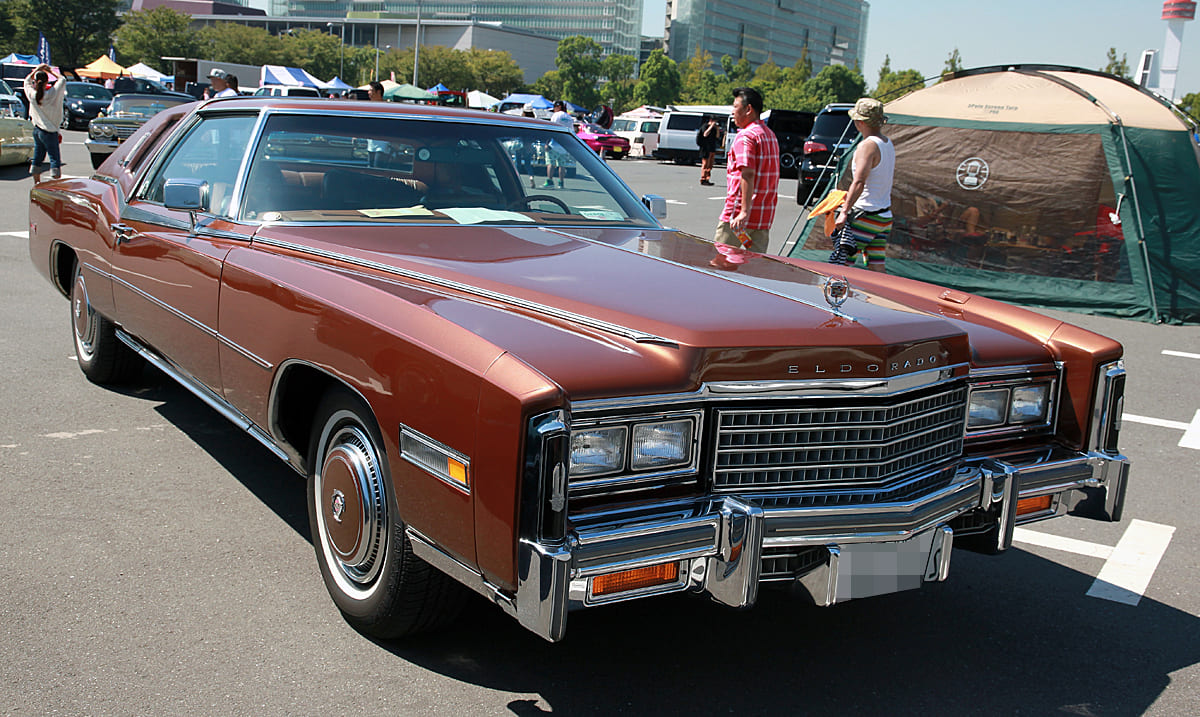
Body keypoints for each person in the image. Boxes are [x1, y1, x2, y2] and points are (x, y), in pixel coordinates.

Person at [829, 97, 894, 272]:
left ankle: (837, 290)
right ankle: (879, 291)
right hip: (883, 216)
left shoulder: (867, 146)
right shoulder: (887, 143)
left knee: (841, 264)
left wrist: (844, 212)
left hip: (865, 215)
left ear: (860, 122)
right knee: (876, 267)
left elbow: (859, 182)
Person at [715, 87, 779, 253]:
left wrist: (744, 211)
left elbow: (748, 173)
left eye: (736, 107)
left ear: (748, 109)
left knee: (721, 261)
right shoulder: (770, 135)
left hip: (738, 215)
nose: (733, 112)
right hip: (763, 214)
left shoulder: (746, 136)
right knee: (755, 264)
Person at [23, 64, 67, 178]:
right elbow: (62, 79)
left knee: (37, 158)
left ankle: (36, 181)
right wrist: (51, 71)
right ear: (47, 82)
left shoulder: (33, 95)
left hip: (37, 129)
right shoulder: (53, 93)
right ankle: (55, 182)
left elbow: (26, 81)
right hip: (50, 130)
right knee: (54, 159)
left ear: (36, 82)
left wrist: (37, 69)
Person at [545, 100, 574, 188]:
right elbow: (571, 131)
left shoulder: (556, 115)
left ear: (557, 107)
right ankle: (561, 182)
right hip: (564, 145)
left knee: (551, 162)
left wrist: (547, 142)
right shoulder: (569, 118)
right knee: (562, 165)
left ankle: (550, 181)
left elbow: (551, 129)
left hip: (554, 143)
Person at [366, 81, 390, 167]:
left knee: (378, 170)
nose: (369, 93)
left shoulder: (387, 108)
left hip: (382, 146)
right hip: (371, 145)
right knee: (370, 170)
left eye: (371, 90)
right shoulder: (368, 108)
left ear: (378, 92)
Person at [697, 115, 722, 186]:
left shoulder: (714, 128)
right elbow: (705, 134)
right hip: (705, 149)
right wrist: (711, 126)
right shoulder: (705, 126)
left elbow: (717, 136)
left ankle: (707, 179)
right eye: (714, 121)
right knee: (705, 164)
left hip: (712, 148)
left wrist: (717, 129)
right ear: (711, 120)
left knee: (710, 165)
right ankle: (703, 179)